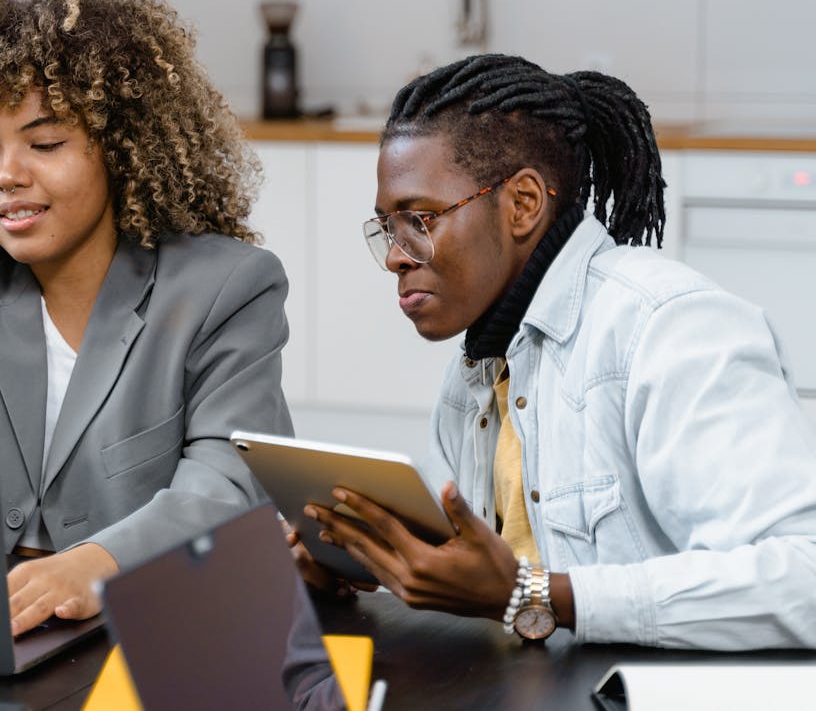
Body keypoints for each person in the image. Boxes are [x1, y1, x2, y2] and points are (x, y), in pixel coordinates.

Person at [298, 53, 816, 649]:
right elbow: (490, 592)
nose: (395, 253)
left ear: (522, 204)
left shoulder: (666, 326)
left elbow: (801, 576)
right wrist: (366, 568)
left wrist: (537, 594)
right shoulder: (476, 374)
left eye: (420, 218)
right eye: (388, 227)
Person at [0, 0, 293, 636]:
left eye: (45, 143)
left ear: (122, 150)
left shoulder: (228, 288)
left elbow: (226, 485)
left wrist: (92, 564)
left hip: (161, 626)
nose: (7, 174)